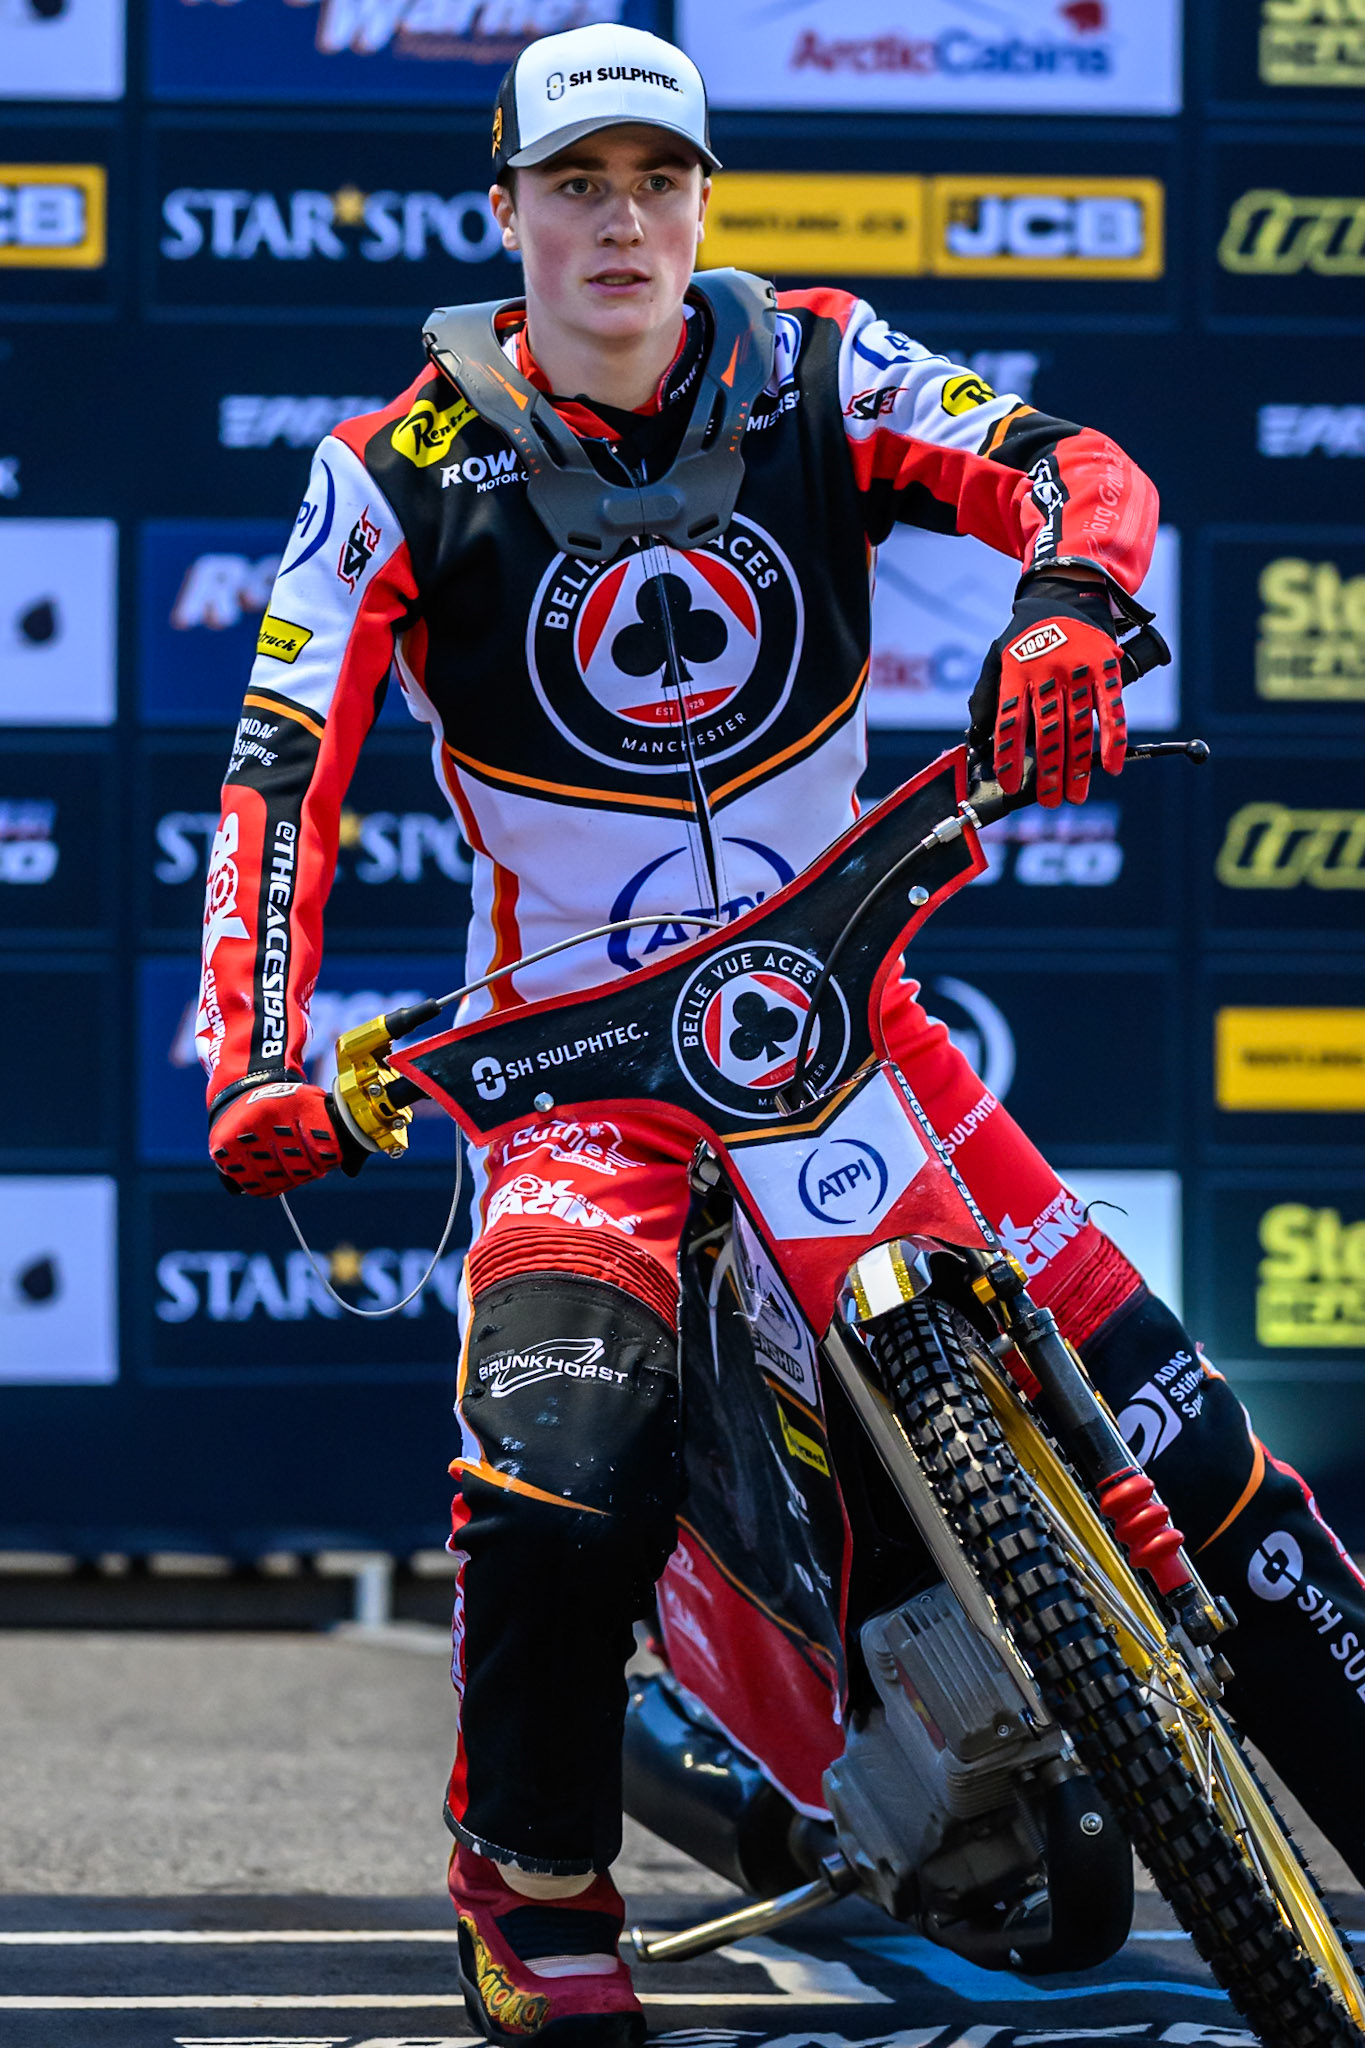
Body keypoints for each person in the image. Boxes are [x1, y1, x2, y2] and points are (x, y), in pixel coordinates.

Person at [197, 24, 1365, 2044]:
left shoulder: (817, 363)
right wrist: (254, 1054)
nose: (620, 224)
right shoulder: (379, 472)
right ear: (507, 218)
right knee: (556, 1461)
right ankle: (537, 1888)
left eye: (656, 182)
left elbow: (1058, 463)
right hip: (583, 1073)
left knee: (1177, 1420)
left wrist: (1070, 600)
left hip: (845, 1014)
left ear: (702, 204)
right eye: (578, 187)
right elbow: (279, 768)